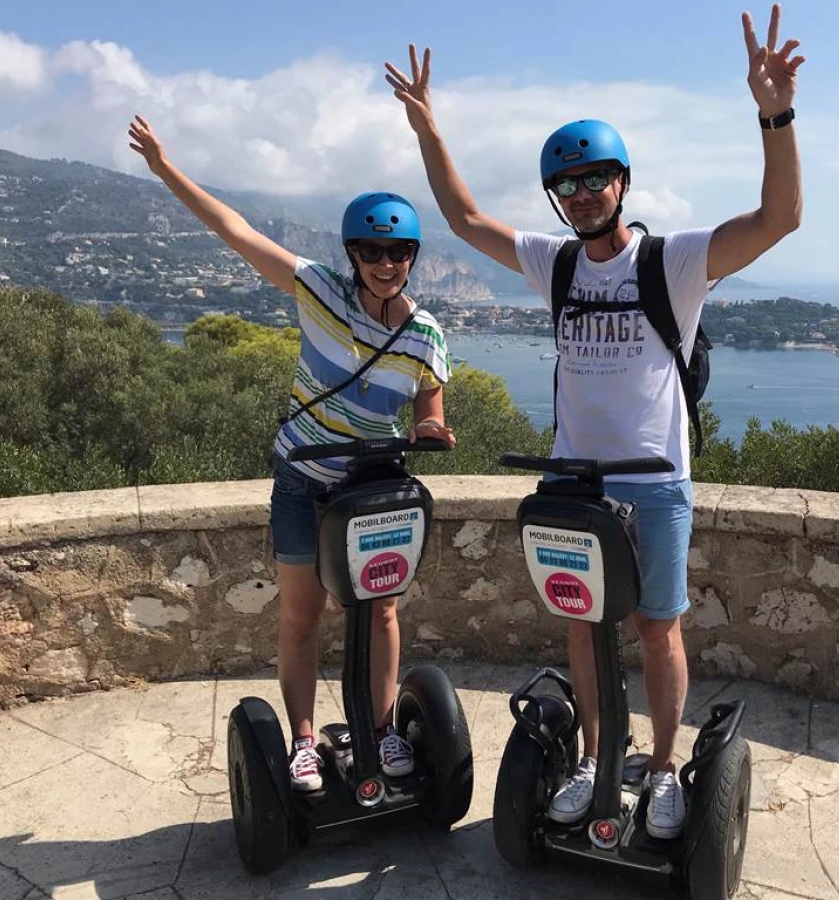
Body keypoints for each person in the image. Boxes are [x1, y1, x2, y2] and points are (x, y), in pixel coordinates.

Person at [385, 3, 802, 838]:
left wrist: (774, 113)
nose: (579, 196)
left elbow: (778, 219)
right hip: (574, 482)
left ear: (623, 181)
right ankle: (591, 760)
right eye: (566, 186)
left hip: (655, 482)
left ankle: (659, 768)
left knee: (657, 629)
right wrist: (429, 130)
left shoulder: (672, 261)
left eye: (593, 179)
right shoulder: (557, 263)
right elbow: (467, 221)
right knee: (581, 622)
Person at [128, 116, 457, 791]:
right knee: (301, 615)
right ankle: (305, 742)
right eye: (372, 252)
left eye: (398, 253)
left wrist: (430, 429)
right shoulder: (320, 293)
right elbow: (238, 233)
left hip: (370, 493)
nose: (386, 264)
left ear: (413, 257)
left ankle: (386, 729)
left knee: (382, 614)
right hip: (304, 481)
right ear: (352, 255)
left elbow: (430, 401)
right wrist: (166, 170)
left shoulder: (426, 333)